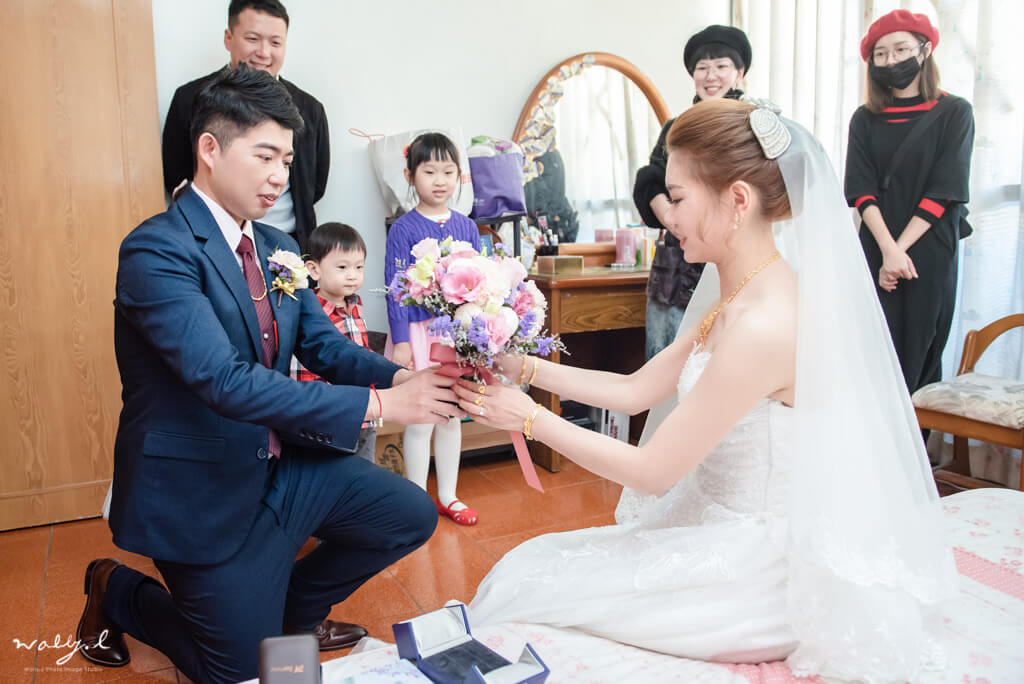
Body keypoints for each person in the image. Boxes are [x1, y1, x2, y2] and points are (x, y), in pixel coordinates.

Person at [455, 98, 958, 681]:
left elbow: (652, 472)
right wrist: (522, 368)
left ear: (738, 200)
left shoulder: (765, 324)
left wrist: (529, 419)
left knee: (532, 580)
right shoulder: (740, 293)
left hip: (758, 569)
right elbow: (636, 389)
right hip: (712, 520)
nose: (668, 214)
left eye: (678, 197)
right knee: (530, 568)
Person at [77, 65, 462, 684]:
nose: (281, 175)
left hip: (280, 466)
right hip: (200, 486)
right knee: (233, 673)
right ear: (210, 149)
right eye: (264, 156)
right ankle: (117, 590)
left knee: (410, 515)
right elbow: (222, 380)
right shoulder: (157, 250)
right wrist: (381, 407)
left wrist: (401, 379)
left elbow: (323, 346)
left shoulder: (279, 246)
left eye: (286, 158)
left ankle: (292, 616)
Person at [845, 9, 974, 396]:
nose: (890, 61)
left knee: (921, 346)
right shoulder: (864, 119)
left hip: (928, 247)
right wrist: (887, 251)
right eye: (880, 54)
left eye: (900, 49)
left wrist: (898, 252)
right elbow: (861, 191)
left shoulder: (955, 112)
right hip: (876, 242)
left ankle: (917, 434)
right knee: (871, 346)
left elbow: (945, 190)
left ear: (925, 50)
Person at [161, 0, 329, 251]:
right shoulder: (191, 98)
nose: (264, 52)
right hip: (212, 242)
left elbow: (315, 185)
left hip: (288, 241)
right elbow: (175, 173)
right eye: (253, 39)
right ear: (228, 38)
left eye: (275, 42)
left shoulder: (310, 108)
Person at [634, 25, 752, 360]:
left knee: (721, 359)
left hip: (729, 258)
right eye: (702, 67)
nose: (710, 76)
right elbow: (651, 179)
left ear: (739, 72)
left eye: (721, 66)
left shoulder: (750, 123)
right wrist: (669, 215)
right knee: (663, 360)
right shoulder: (677, 127)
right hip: (675, 266)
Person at [385, 132, 482, 526]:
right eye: (429, 171)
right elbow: (395, 289)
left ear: (459, 176)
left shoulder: (468, 227)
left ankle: (448, 496)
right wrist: (402, 342)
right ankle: (415, 499)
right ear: (410, 176)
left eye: (448, 171)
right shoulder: (402, 229)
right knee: (421, 417)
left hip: (454, 336)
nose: (439, 180)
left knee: (451, 415)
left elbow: (480, 282)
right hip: (419, 334)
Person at [291, 222, 377, 464]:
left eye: (359, 267)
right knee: (334, 471)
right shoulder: (310, 314)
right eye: (342, 267)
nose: (352, 275)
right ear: (314, 270)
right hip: (330, 415)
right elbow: (307, 368)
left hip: (363, 412)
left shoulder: (355, 306)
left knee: (365, 473)